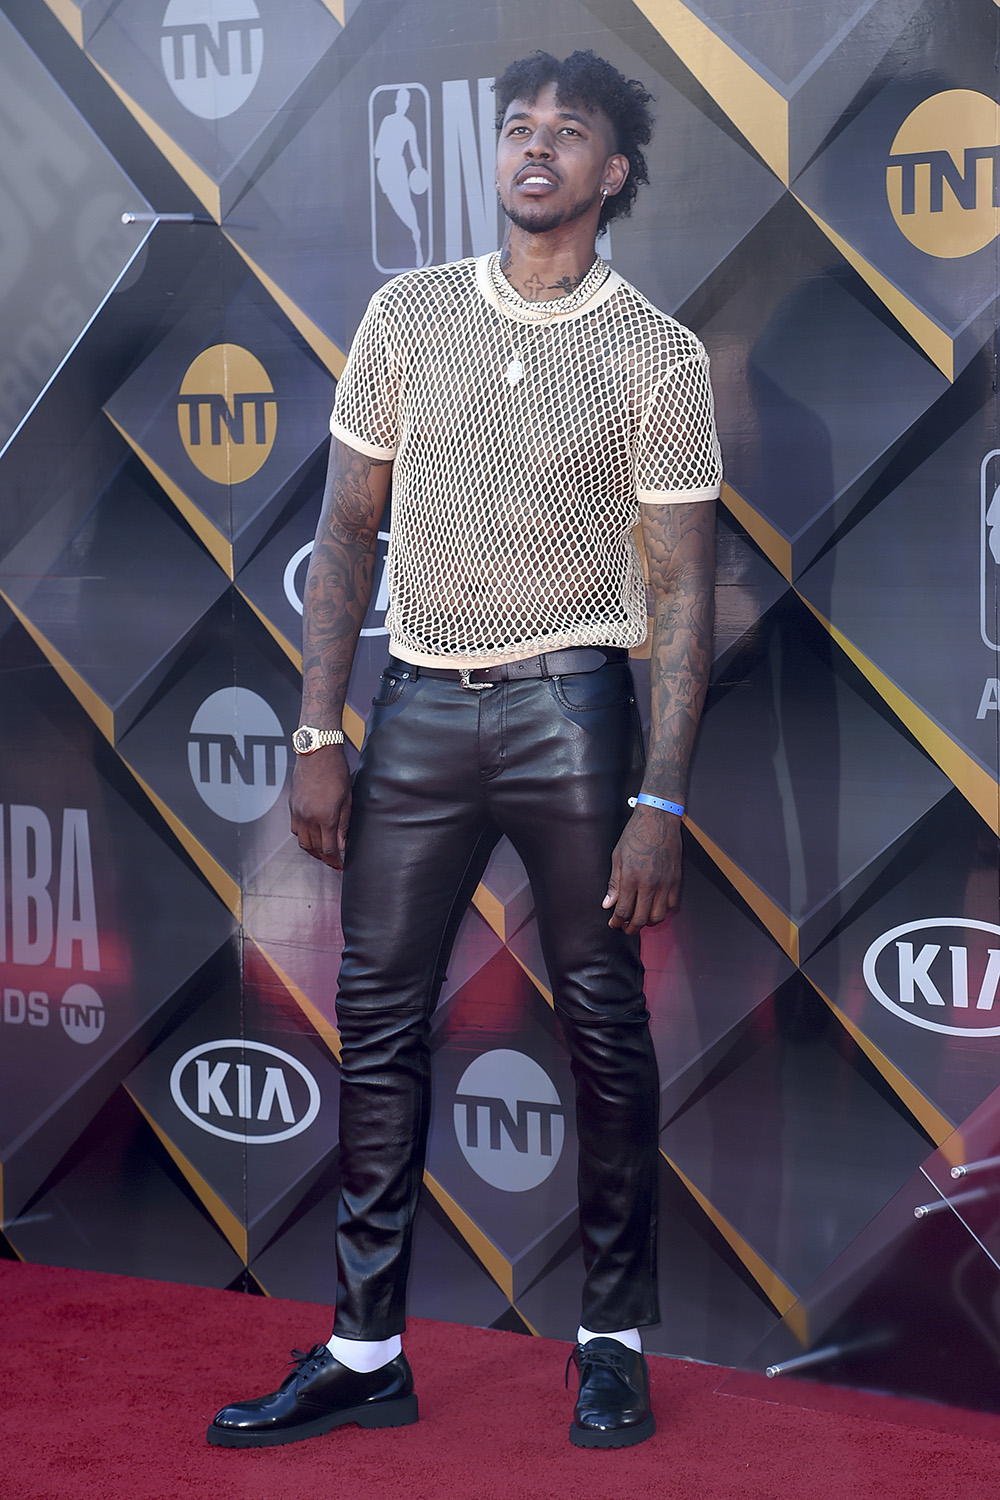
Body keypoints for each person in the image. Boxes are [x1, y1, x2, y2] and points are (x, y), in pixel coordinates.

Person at [207, 48, 720, 1452]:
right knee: (376, 1025)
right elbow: (347, 537)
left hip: (575, 716)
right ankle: (367, 1349)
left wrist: (660, 794)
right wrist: (321, 726)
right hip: (421, 706)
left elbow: (680, 600)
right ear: (495, 159)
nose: (535, 149)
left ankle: (609, 1344)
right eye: (517, 129)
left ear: (614, 174)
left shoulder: (655, 355)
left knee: (604, 1030)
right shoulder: (409, 315)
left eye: (570, 134)